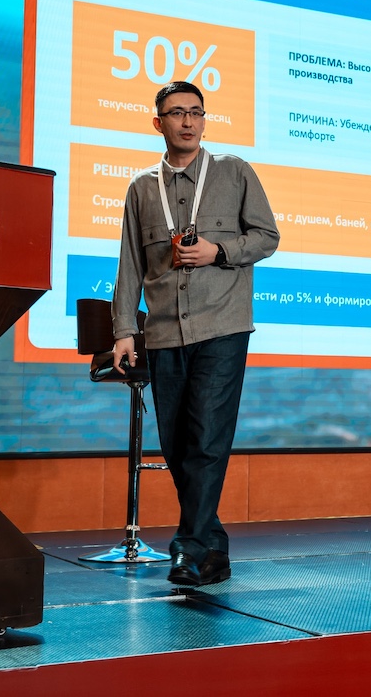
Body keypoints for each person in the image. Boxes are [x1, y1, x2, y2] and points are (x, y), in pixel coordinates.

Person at [111, 80, 279, 586]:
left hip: (222, 325)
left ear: (204, 121)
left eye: (196, 112)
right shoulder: (142, 189)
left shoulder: (234, 172)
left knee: (207, 438)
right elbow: (130, 264)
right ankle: (213, 549)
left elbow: (267, 236)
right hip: (164, 332)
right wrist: (124, 330)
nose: (187, 121)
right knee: (178, 446)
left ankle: (187, 548)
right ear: (157, 122)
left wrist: (218, 251)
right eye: (176, 113)